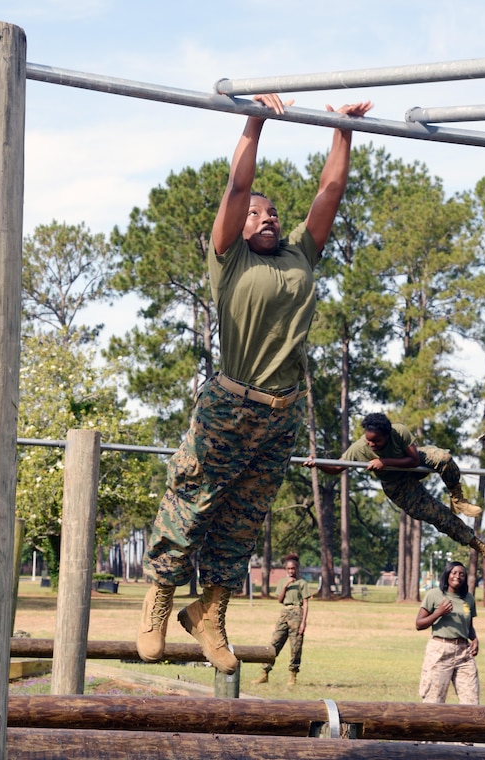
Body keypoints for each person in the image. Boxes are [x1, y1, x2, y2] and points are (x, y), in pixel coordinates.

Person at [136, 94, 373, 674]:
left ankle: (210, 609)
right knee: (192, 503)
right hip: (229, 404)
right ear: (237, 227)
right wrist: (255, 122)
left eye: (272, 213)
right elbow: (237, 189)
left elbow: (330, 193)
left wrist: (341, 131)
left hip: (280, 413)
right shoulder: (229, 260)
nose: (265, 217)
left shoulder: (301, 256)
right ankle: (161, 596)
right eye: (255, 214)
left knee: (243, 517)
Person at [304, 412, 485, 566]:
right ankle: (480, 546)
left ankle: (457, 499)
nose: (372, 445)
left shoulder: (399, 432)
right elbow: (336, 468)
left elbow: (413, 460)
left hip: (413, 463)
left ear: (388, 435)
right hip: (398, 485)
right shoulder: (360, 448)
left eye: (376, 441)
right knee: (439, 516)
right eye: (369, 440)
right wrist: (317, 463)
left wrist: (384, 461)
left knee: (443, 458)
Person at [416, 560, 479, 704]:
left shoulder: (468, 598)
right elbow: (419, 624)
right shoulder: (434, 595)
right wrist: (439, 613)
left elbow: (469, 626)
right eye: (454, 573)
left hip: (464, 653)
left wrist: (475, 639)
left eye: (462, 574)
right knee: (434, 702)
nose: (458, 576)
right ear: (447, 574)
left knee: (472, 703)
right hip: (440, 650)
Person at [253, 554, 310, 686]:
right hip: (284, 613)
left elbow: (306, 603)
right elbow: (279, 600)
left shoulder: (302, 583)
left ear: (297, 568)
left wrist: (303, 623)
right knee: (274, 644)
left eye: (293, 568)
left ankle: (293, 675)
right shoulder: (282, 582)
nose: (291, 571)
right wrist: (286, 586)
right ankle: (264, 673)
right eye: (289, 569)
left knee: (295, 646)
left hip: (297, 613)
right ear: (286, 569)